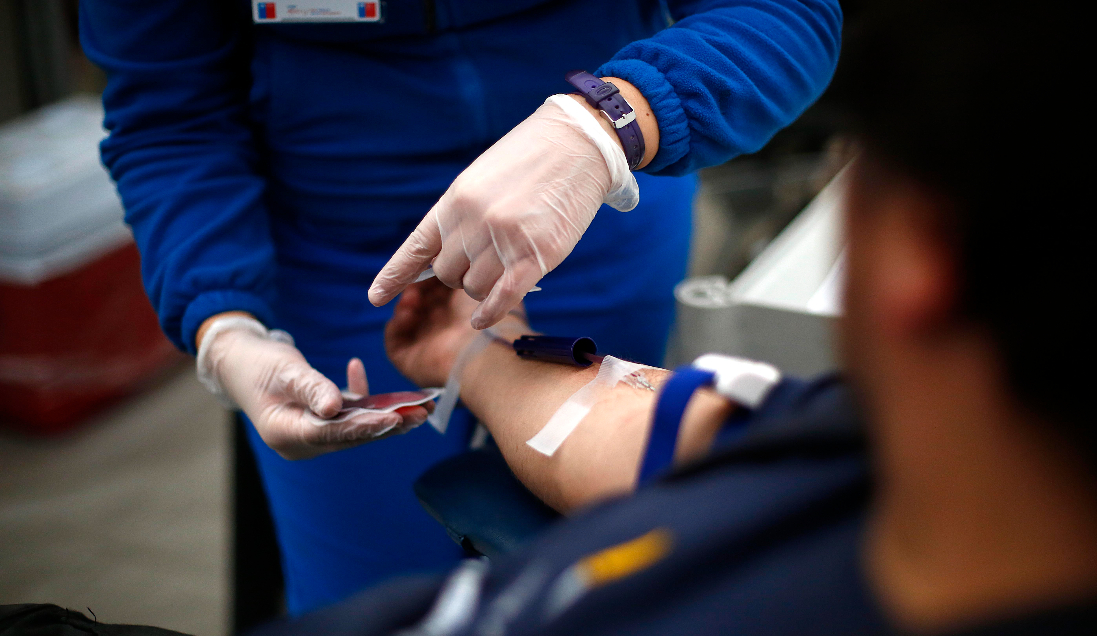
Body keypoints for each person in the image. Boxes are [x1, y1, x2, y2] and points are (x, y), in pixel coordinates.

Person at [256, 0, 1097, 632]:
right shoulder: (870, 445)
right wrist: (473, 353)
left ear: (918, 256)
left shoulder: (827, 466)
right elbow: (647, 429)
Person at [79, 0, 842, 614]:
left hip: (596, 198)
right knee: (376, 597)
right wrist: (223, 320)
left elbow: (788, 10)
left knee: (610, 572)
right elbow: (168, 111)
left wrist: (607, 122)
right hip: (343, 254)